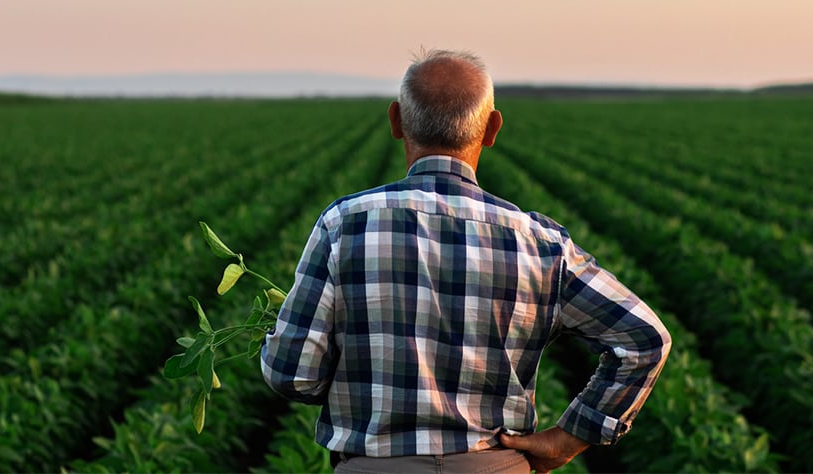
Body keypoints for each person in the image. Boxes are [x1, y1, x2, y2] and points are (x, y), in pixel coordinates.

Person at [261, 49, 672, 473]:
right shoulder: (542, 242)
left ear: (396, 121)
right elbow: (644, 339)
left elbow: (294, 374)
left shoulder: (344, 224)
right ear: (492, 129)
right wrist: (569, 437)